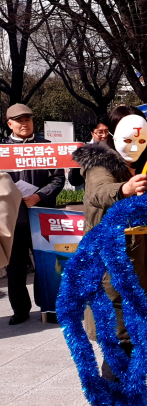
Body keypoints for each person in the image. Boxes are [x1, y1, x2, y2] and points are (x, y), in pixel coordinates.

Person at [72, 105, 147, 383]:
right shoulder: (99, 163)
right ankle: (111, 405)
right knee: (118, 339)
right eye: (127, 137)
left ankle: (130, 397)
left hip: (140, 260)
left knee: (138, 338)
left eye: (141, 138)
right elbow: (99, 192)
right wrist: (123, 189)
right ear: (112, 133)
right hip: (110, 263)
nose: (135, 144)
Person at [3, 103, 65, 325]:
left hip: (41, 216)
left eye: (27, 119)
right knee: (16, 268)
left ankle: (50, 307)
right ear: (9, 123)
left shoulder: (46, 146)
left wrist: (40, 196)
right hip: (13, 219)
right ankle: (20, 310)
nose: (24, 123)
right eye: (19, 120)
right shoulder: (2, 150)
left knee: (47, 264)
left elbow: (58, 178)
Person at [68, 115, 112, 188]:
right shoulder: (85, 152)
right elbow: (75, 181)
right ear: (92, 134)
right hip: (92, 196)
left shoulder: (116, 149)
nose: (104, 135)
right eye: (100, 132)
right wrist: (76, 167)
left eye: (107, 132)